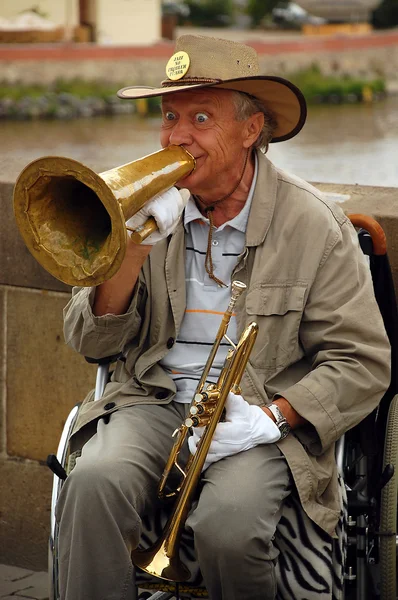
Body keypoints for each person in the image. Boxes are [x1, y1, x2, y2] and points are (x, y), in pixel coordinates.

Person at [57, 35, 391, 600]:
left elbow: (363, 362)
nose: (176, 136)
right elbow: (87, 339)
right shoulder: (144, 211)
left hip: (255, 419)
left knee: (229, 526)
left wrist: (273, 419)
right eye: (169, 117)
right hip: (154, 401)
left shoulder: (313, 223)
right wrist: (130, 249)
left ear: (251, 129)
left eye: (202, 117)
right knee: (91, 483)